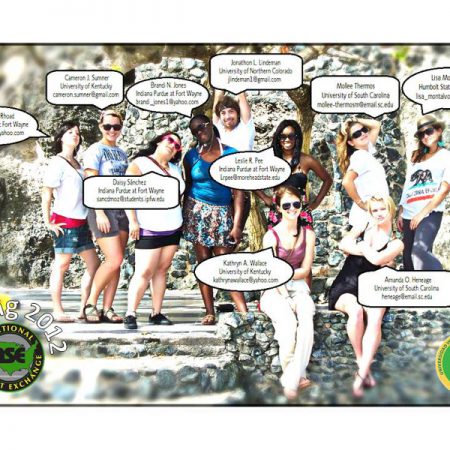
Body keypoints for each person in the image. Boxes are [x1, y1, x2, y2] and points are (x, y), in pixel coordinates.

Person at [328, 195, 403, 398]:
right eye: (374, 210)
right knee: (356, 311)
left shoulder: (396, 243)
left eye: (382, 209)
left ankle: (360, 374)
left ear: (391, 210)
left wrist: (360, 247)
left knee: (376, 317)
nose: (378, 214)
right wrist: (361, 246)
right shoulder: (363, 228)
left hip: (374, 288)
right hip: (347, 284)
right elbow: (343, 244)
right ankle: (363, 366)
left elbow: (377, 259)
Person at [183, 114, 248, 325]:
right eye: (195, 131)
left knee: (224, 263)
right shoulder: (191, 156)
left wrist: (237, 225)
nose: (199, 133)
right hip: (196, 213)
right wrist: (184, 218)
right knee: (203, 263)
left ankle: (245, 312)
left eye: (201, 127)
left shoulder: (230, 153)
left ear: (211, 125)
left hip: (222, 213)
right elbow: (188, 185)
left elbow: (238, 191)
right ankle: (209, 312)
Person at [123, 132, 185, 329]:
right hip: (149, 226)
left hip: (173, 226)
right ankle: (130, 313)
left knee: (162, 270)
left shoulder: (175, 169)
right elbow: (127, 192)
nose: (172, 145)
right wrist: (133, 221)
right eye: (170, 140)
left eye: (177, 145)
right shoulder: (141, 163)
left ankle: (156, 313)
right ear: (159, 141)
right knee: (144, 271)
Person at [260, 186, 316, 400]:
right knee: (288, 324)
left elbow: (306, 270)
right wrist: (285, 296)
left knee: (306, 319)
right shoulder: (271, 236)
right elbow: (273, 274)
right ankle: (297, 377)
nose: (292, 208)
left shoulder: (308, 234)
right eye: (286, 205)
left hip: (299, 287)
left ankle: (290, 379)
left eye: (296, 203)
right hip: (274, 289)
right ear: (278, 208)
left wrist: (285, 273)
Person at [42, 120, 100, 322]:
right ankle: (57, 310)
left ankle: (83, 309)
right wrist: (48, 222)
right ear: (61, 138)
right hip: (64, 220)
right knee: (62, 265)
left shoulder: (78, 164)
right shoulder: (57, 162)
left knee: (94, 264)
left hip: (82, 222)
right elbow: (47, 192)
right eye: (69, 132)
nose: (75, 135)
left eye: (77, 132)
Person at [82, 110, 129, 323]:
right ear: (100, 126)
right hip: (102, 209)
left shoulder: (121, 153)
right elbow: (91, 182)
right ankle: (91, 303)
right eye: (108, 126)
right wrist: (100, 212)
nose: (112, 130)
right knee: (114, 259)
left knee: (117, 263)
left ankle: (108, 308)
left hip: (121, 210)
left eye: (116, 127)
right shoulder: (95, 150)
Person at [256, 119, 332, 229]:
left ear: (297, 138)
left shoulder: (307, 160)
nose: (287, 140)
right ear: (278, 138)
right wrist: (264, 197)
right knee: (277, 240)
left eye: (291, 136)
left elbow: (327, 180)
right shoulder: (271, 159)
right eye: (283, 136)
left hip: (301, 213)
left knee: (304, 240)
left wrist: (315, 203)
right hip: (278, 212)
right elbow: (249, 177)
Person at [397, 114, 450, 270]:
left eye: (429, 131)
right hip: (408, 213)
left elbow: (445, 189)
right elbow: (408, 184)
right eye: (421, 134)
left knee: (419, 253)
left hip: (429, 213)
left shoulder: (446, 156)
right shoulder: (416, 156)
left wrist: (422, 214)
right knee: (408, 261)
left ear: (439, 131)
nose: (425, 136)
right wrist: (401, 210)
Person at [336, 117, 389, 229]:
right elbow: (347, 181)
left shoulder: (367, 152)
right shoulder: (361, 156)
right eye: (356, 134)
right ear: (351, 142)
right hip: (368, 215)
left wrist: (354, 119)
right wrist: (362, 204)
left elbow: (376, 125)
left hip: (374, 212)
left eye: (364, 130)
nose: (363, 134)